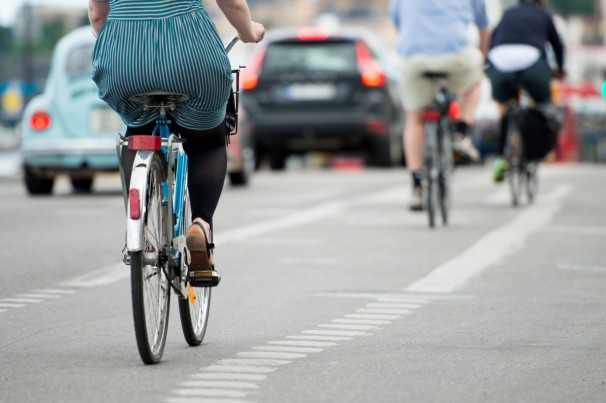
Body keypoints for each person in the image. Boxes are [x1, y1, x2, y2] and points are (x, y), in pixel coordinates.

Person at [88, 0, 265, 285]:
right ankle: (201, 226)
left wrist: (124, 44)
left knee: (138, 128)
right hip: (191, 55)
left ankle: (140, 230)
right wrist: (248, 32)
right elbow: (231, 3)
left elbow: (98, 16)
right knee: (207, 143)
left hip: (124, 62)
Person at [389, 0, 489, 211]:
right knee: (475, 82)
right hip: (455, 57)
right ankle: (462, 133)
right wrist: (484, 57)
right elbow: (483, 26)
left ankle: (417, 184)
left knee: (414, 119)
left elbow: (398, 26)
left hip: (414, 59)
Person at [487, 0, 565, 182]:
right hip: (532, 63)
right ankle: (539, 146)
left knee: (506, 106)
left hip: (500, 62)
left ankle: (502, 155)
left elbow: (492, 39)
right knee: (544, 102)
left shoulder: (507, 13)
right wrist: (560, 69)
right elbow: (558, 46)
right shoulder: (544, 15)